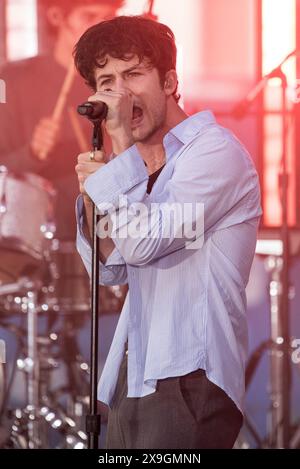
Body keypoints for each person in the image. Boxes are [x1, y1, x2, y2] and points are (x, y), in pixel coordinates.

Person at [74, 15, 262, 449]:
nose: (120, 93)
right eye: (107, 80)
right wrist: (91, 192)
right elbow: (110, 268)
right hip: (133, 373)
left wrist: (118, 154)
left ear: (170, 81)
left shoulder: (214, 152)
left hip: (189, 377)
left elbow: (142, 245)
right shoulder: (134, 169)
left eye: (133, 74)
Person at [0, 0, 123, 240]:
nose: (101, 27)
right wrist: (32, 154)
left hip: (100, 233)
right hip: (29, 236)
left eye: (108, 17)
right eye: (89, 16)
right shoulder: (10, 81)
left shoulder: (116, 83)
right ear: (56, 16)